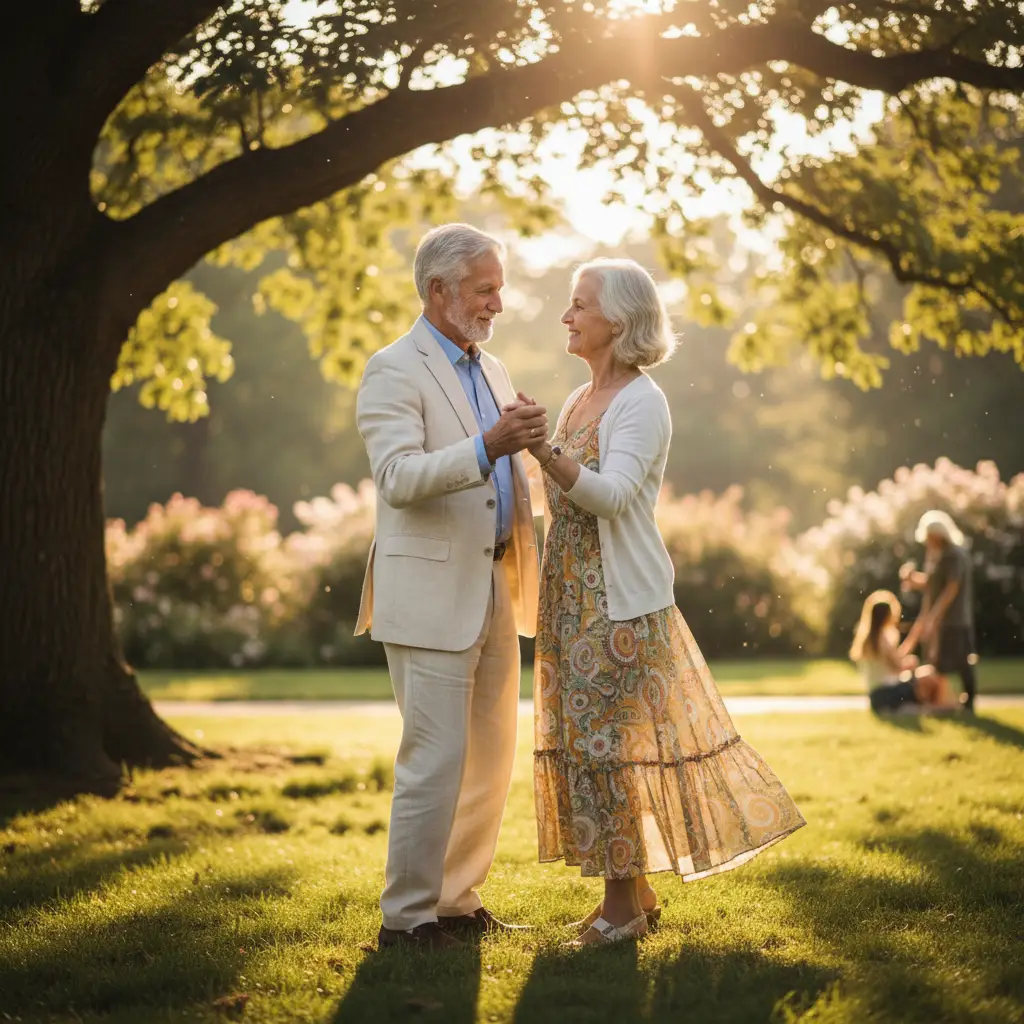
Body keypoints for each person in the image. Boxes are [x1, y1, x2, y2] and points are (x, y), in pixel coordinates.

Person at [523, 257, 805, 947]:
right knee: (588, 749)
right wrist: (537, 448)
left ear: (617, 320)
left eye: (578, 304)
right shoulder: (577, 399)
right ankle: (633, 894)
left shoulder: (643, 400)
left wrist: (544, 450)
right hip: (573, 599)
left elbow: (612, 495)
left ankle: (622, 912)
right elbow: (565, 496)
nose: (567, 316)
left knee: (608, 750)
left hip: (617, 602)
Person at [354, 223, 547, 951]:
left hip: (497, 579)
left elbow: (498, 470)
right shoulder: (392, 369)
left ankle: (458, 902)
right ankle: (407, 920)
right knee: (433, 761)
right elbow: (398, 479)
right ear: (438, 290)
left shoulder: (491, 368)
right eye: (484, 288)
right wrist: (488, 445)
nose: (498, 301)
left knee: (490, 757)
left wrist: (524, 438)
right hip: (430, 596)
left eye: (499, 287)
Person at [900, 510, 978, 712]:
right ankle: (940, 699)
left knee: (960, 660)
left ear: (937, 535)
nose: (927, 543)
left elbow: (951, 588)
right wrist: (912, 579)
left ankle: (967, 701)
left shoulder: (954, 555)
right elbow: (932, 583)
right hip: (945, 619)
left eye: (928, 538)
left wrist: (934, 615)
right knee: (937, 660)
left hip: (955, 619)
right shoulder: (939, 556)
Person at [849, 590, 956, 713]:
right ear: (887, 615)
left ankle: (939, 707)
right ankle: (942, 707)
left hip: (876, 697)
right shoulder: (883, 639)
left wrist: (913, 637)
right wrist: (910, 660)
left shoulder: (867, 639)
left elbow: (891, 664)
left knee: (927, 674)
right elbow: (897, 666)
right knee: (931, 675)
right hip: (889, 693)